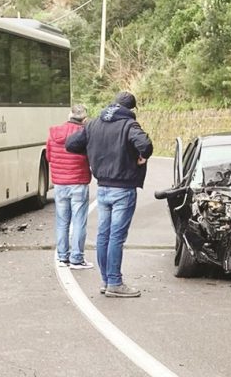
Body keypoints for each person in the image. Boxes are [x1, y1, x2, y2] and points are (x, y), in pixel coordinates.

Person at [66, 91, 153, 298]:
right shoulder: (129, 125)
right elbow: (146, 146)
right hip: (123, 188)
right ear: (131, 109)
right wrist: (141, 156)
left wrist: (93, 153)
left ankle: (106, 281)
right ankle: (115, 282)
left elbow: (71, 144)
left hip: (102, 188)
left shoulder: (93, 124)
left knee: (103, 236)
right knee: (116, 237)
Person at [46, 104, 93, 270]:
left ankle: (62, 257)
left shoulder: (54, 134)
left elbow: (49, 157)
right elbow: (90, 157)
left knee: (62, 222)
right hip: (78, 182)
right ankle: (77, 258)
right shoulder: (84, 134)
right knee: (79, 222)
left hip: (59, 184)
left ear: (69, 116)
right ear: (84, 119)